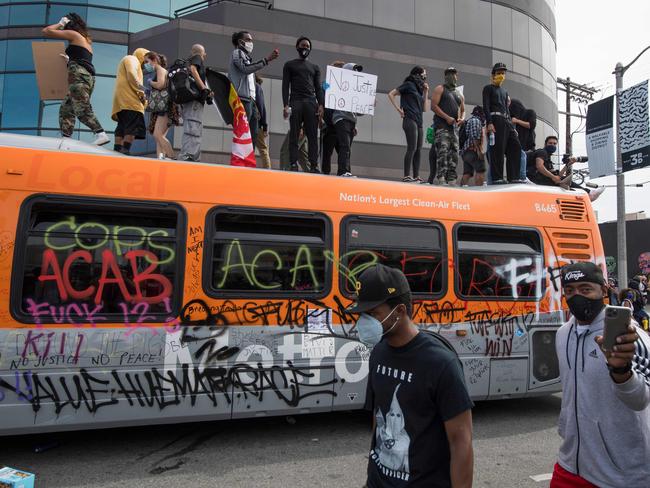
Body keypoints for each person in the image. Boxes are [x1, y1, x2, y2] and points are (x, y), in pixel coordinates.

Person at [349, 264, 474, 487]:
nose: (363, 322)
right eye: (362, 314)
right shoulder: (378, 352)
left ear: (399, 311)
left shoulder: (441, 363)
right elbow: (378, 418)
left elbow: (461, 442)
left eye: (372, 313)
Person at [551, 262, 650, 488]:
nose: (577, 296)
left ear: (603, 291)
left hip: (621, 475)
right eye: (570, 290)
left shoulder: (632, 338)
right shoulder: (562, 334)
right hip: (569, 464)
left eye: (585, 289)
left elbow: (641, 400)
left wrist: (621, 371)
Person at [42, 13, 109, 146]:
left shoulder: (74, 35)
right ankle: (66, 139)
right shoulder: (84, 40)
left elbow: (47, 31)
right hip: (84, 77)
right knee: (66, 108)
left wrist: (60, 23)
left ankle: (100, 133)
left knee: (81, 108)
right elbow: (83, 60)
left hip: (79, 77)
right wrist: (70, 60)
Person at [228, 31, 279, 151]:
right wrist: (266, 60)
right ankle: (239, 164)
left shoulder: (246, 57)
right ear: (241, 42)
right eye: (248, 40)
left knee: (253, 134)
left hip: (251, 100)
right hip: (242, 99)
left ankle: (247, 163)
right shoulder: (237, 53)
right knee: (243, 133)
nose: (251, 43)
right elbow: (245, 69)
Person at [282, 36, 324, 173]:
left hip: (311, 103)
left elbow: (318, 88)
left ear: (310, 49)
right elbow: (285, 85)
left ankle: (314, 165)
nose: (305, 48)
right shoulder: (289, 65)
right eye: (302, 45)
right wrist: (285, 105)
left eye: (307, 46)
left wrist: (321, 105)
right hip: (295, 101)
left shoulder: (315, 68)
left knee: (312, 136)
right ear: (297, 47)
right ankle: (293, 163)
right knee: (294, 134)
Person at [527, 136, 605, 201]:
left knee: (565, 181)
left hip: (541, 179)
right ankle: (589, 193)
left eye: (554, 144)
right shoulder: (542, 152)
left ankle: (587, 194)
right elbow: (539, 166)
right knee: (563, 182)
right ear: (545, 144)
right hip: (535, 178)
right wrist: (553, 177)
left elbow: (558, 176)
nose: (552, 145)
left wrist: (568, 164)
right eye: (550, 143)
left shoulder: (548, 158)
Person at [482, 62, 523, 183]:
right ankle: (497, 177)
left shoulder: (505, 92)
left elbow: (507, 110)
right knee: (498, 149)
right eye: (499, 73)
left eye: (503, 73)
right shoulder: (488, 88)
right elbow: (486, 106)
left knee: (516, 146)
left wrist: (512, 126)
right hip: (495, 120)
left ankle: (514, 177)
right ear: (493, 74)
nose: (501, 75)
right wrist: (489, 122)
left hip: (506, 121)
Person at [388, 66, 430, 183]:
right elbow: (391, 94)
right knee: (412, 147)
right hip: (409, 119)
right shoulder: (408, 84)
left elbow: (425, 108)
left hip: (419, 120)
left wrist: (426, 92)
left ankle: (416, 176)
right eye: (423, 75)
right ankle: (407, 175)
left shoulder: (419, 89)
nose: (425, 78)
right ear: (417, 74)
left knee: (418, 149)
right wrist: (398, 109)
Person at [326, 62, 362, 177]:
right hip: (340, 118)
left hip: (351, 121)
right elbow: (326, 90)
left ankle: (344, 171)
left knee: (347, 148)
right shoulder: (337, 86)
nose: (355, 73)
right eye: (353, 70)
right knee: (344, 146)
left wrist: (368, 104)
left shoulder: (355, 90)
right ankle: (343, 172)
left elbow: (359, 112)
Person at [111, 47, 149, 155]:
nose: (147, 64)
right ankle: (125, 150)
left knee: (122, 126)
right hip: (131, 101)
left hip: (122, 102)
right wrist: (142, 91)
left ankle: (117, 150)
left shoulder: (129, 61)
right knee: (133, 127)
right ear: (141, 56)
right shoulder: (132, 59)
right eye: (146, 61)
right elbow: (131, 74)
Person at [177, 44, 211, 162]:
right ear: (200, 53)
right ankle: (188, 156)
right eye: (204, 53)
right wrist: (204, 89)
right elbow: (193, 69)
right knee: (193, 128)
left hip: (188, 102)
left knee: (192, 127)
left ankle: (191, 156)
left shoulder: (186, 62)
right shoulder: (197, 58)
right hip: (194, 102)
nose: (205, 55)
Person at [431, 67, 464, 185]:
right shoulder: (440, 89)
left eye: (454, 74)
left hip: (454, 129)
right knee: (443, 152)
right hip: (442, 127)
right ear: (446, 76)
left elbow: (463, 110)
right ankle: (441, 178)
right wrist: (446, 117)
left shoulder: (459, 94)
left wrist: (462, 118)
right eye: (450, 74)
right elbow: (433, 106)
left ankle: (452, 178)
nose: (453, 76)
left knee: (454, 153)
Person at [144, 52, 179, 160]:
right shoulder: (163, 70)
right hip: (166, 106)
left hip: (164, 107)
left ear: (154, 59)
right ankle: (161, 159)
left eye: (147, 61)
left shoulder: (159, 69)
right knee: (160, 137)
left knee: (157, 134)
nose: (145, 64)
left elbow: (160, 84)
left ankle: (172, 157)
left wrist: (150, 82)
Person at [460, 106, 487, 187]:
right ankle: (479, 191)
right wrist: (479, 151)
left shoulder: (469, 121)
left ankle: (462, 189)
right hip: (473, 150)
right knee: (480, 170)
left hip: (465, 152)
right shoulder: (475, 121)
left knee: (467, 173)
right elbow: (474, 136)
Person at [254, 75, 271, 168]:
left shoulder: (255, 87)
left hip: (254, 123)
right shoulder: (257, 87)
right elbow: (261, 107)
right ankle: (267, 170)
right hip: (257, 123)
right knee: (263, 149)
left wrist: (264, 126)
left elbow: (261, 107)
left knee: (261, 149)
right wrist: (264, 125)